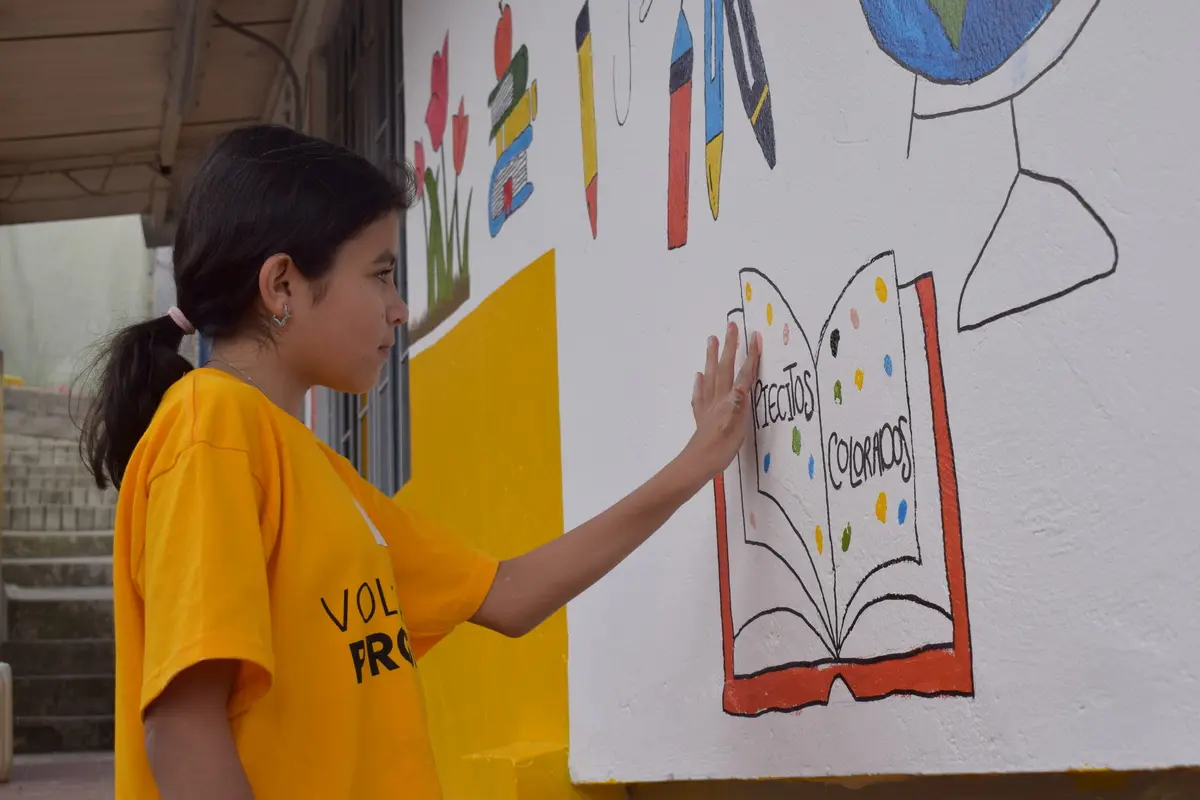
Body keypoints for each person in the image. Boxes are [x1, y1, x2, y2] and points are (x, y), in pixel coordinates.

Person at [80, 124, 761, 799]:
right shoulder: (212, 428)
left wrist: (690, 467)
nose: (399, 309)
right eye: (380, 275)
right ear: (282, 285)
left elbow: (508, 595)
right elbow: (182, 729)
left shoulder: (317, 472)